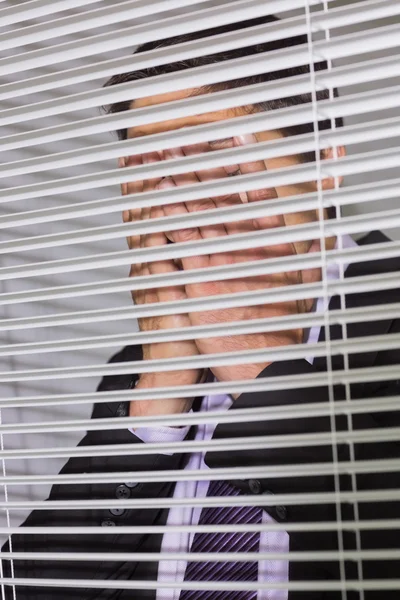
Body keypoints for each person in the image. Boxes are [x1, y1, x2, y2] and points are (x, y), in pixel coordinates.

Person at [3, 15, 400, 600]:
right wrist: (155, 398)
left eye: (219, 156)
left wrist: (254, 359)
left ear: (323, 160)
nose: (181, 210)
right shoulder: (133, 373)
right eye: (149, 177)